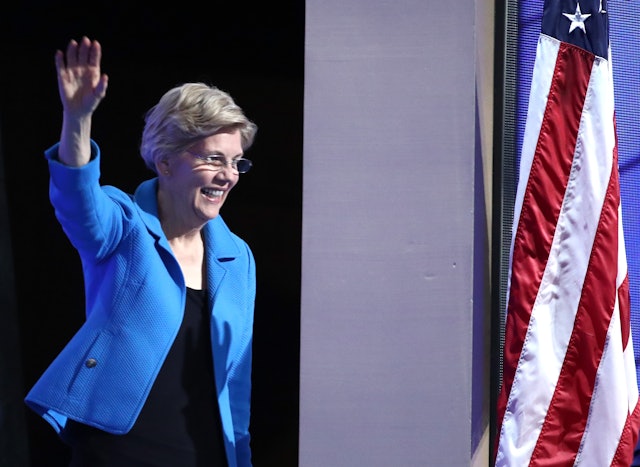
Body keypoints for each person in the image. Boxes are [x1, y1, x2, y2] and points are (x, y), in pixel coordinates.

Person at [24, 36, 258, 467]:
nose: (228, 175)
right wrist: (77, 119)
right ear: (165, 162)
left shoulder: (236, 258)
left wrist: (240, 456)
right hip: (116, 453)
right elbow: (77, 201)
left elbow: (235, 381)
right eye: (213, 159)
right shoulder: (124, 225)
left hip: (203, 456)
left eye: (236, 162)